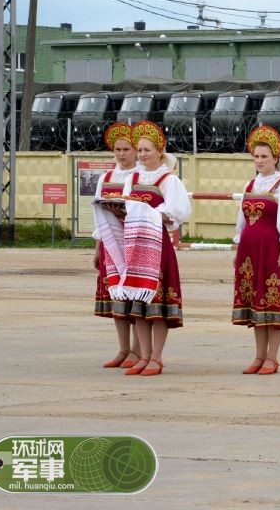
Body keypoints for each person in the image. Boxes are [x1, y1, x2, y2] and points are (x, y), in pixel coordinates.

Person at [118, 121, 192, 376]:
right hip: (136, 244)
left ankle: (157, 357)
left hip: (157, 245)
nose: (142, 155)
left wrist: (147, 212)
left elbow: (176, 211)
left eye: (147, 150)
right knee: (138, 302)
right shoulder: (132, 178)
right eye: (139, 150)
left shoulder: (168, 180)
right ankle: (143, 355)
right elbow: (125, 207)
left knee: (157, 303)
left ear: (160, 151)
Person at [232, 126, 280, 375]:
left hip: (272, 250)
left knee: (273, 302)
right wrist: (237, 249)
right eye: (256, 156)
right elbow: (241, 221)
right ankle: (258, 356)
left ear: (276, 158)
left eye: (264, 156)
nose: (260, 161)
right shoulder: (250, 184)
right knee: (257, 304)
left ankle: (272, 358)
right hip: (250, 253)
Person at [92, 122, 141, 368]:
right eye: (118, 149)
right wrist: (98, 247)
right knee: (118, 296)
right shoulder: (106, 177)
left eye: (127, 149)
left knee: (137, 295)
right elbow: (98, 216)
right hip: (112, 243)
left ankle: (137, 349)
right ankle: (123, 349)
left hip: (136, 242)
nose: (122, 154)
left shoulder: (140, 177)